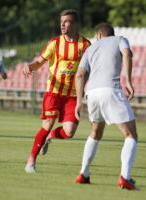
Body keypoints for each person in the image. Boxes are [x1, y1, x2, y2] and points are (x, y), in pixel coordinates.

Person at [23, 9, 91, 173]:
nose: (62, 24)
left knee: (69, 132)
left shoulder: (86, 45)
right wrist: (29, 66)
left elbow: (90, 68)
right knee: (47, 124)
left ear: (75, 24)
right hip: (54, 92)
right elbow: (39, 62)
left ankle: (50, 137)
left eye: (66, 21)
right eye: (61, 21)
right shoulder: (55, 43)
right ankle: (31, 162)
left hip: (73, 95)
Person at [74, 23, 139, 190]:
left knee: (95, 133)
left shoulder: (91, 48)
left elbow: (80, 75)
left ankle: (83, 174)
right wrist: (129, 82)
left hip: (92, 93)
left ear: (98, 35)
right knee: (130, 134)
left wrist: (78, 101)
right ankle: (125, 177)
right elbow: (127, 55)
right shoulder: (120, 39)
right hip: (110, 90)